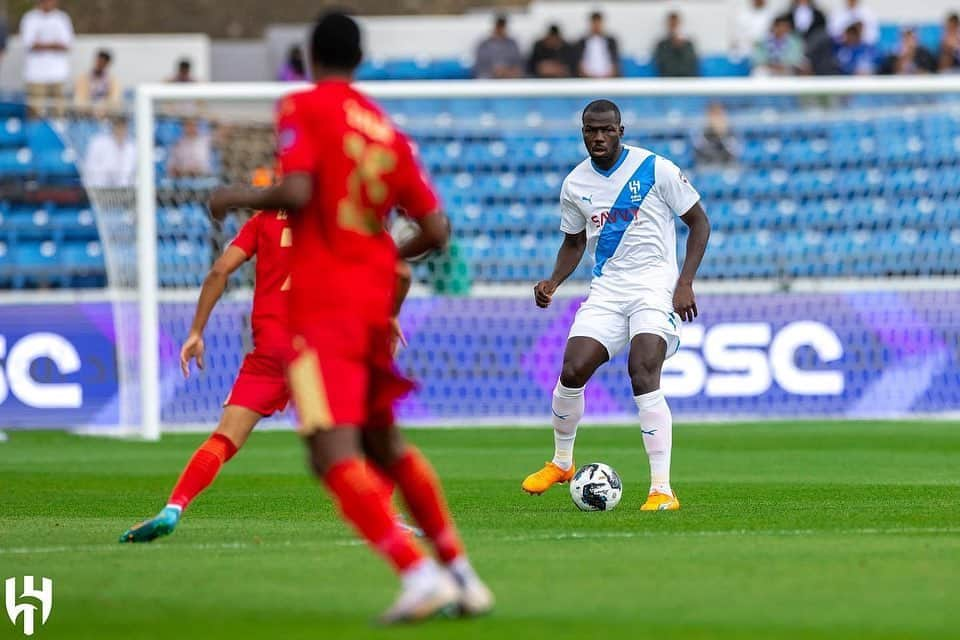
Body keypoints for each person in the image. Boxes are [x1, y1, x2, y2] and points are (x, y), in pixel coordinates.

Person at [205, 11, 493, 624]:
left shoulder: (303, 106)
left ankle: (417, 575)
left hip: (321, 311)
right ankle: (462, 575)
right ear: (360, 59)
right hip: (372, 308)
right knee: (384, 444)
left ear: (311, 56)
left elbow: (301, 191)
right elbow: (437, 230)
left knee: (327, 451)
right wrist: (384, 251)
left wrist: (240, 195)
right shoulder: (387, 133)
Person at [521, 100, 711, 512]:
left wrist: (685, 282)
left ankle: (662, 489)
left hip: (655, 288)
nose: (599, 137)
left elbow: (699, 222)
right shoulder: (575, 184)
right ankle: (562, 463)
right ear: (583, 132)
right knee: (572, 369)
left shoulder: (655, 168)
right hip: (607, 291)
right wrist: (553, 281)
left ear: (620, 130)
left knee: (642, 370)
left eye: (607, 130)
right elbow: (573, 243)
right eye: (591, 130)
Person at [20, 0, 74, 117]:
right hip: (36, 75)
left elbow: (67, 44)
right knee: (35, 112)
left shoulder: (62, 18)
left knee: (59, 112)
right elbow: (29, 43)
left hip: (58, 74)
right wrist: (54, 45)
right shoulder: (30, 18)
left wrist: (42, 45)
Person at [82, 115, 135, 188]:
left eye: (123, 127)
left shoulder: (133, 147)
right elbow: (89, 172)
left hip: (128, 194)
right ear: (113, 127)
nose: (121, 130)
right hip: (100, 192)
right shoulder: (98, 143)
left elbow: (136, 176)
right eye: (118, 126)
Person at [473, 14, 523, 79]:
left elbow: (518, 62)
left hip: (509, 78)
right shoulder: (484, 44)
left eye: (502, 26)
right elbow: (480, 65)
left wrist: (508, 71)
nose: (500, 29)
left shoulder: (512, 44)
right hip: (488, 77)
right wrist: (494, 71)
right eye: (499, 26)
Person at [74, 49, 122, 116]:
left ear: (107, 63)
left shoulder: (112, 80)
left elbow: (114, 98)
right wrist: (90, 108)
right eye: (99, 61)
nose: (100, 64)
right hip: (86, 111)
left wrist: (103, 107)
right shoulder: (84, 78)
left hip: (105, 111)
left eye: (103, 62)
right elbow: (80, 97)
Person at [574, 11, 620, 78]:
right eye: (594, 23)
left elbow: (615, 62)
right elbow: (579, 64)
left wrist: (608, 75)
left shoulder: (611, 41)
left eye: (598, 23)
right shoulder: (582, 42)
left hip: (608, 78)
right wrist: (587, 75)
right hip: (587, 78)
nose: (596, 26)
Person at [652, 11, 699, 77]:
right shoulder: (661, 45)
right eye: (671, 24)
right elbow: (662, 66)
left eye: (675, 24)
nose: (674, 27)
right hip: (667, 81)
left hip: (687, 80)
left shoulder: (688, 45)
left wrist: (680, 48)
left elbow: (692, 65)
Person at [694, 102, 740, 166]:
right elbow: (699, 157)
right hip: (707, 169)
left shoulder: (731, 135)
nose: (717, 120)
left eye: (719, 115)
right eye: (714, 115)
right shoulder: (703, 135)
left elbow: (734, 156)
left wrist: (723, 137)